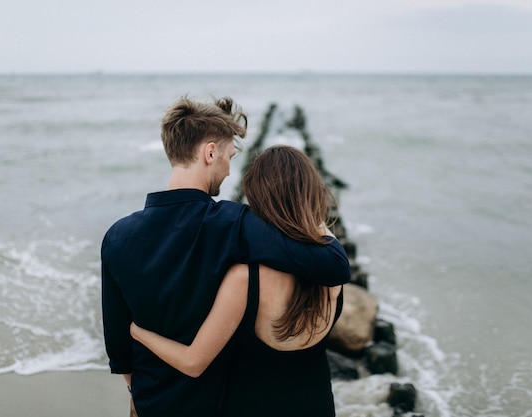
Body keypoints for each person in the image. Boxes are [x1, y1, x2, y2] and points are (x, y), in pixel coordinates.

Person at [101, 98, 351, 417]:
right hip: (210, 404)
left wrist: (137, 396)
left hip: (149, 402)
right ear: (209, 153)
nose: (230, 168)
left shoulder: (117, 237)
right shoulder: (235, 225)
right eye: (230, 155)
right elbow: (330, 265)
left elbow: (119, 349)